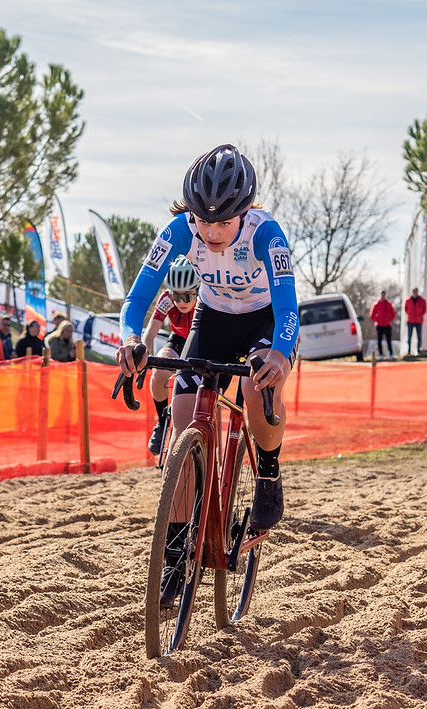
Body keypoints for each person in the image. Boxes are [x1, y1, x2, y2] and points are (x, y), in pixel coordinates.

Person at [116, 143, 299, 606]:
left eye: (223, 222)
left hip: (266, 322)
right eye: (203, 221)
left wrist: (278, 354)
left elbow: (288, 306)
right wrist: (130, 339)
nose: (212, 231)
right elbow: (137, 300)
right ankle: (177, 553)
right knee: (182, 416)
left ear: (244, 211)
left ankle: (269, 476)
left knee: (259, 394)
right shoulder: (178, 229)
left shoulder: (267, 234)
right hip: (213, 320)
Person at [142, 256, 200, 455]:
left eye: (187, 296)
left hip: (201, 340)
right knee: (158, 374)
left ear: (198, 291)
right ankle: (161, 422)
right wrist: (144, 352)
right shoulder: (166, 299)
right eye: (177, 296)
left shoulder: (206, 299)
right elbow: (150, 332)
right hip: (178, 339)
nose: (180, 302)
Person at [370, 290, 396, 361]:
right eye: (382, 295)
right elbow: (372, 315)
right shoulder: (376, 304)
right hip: (379, 325)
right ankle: (380, 355)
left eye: (384, 295)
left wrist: (389, 319)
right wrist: (377, 319)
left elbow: (393, 313)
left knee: (388, 340)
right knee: (379, 341)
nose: (383, 296)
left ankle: (391, 354)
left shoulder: (388, 304)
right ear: (380, 295)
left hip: (387, 325)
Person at [404, 287, 426, 356]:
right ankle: (409, 351)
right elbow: (406, 309)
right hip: (410, 320)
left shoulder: (422, 300)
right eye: (414, 292)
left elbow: (424, 309)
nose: (415, 293)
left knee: (419, 336)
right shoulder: (408, 300)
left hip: (418, 321)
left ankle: (418, 350)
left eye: (416, 292)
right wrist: (410, 315)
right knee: (409, 336)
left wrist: (419, 315)